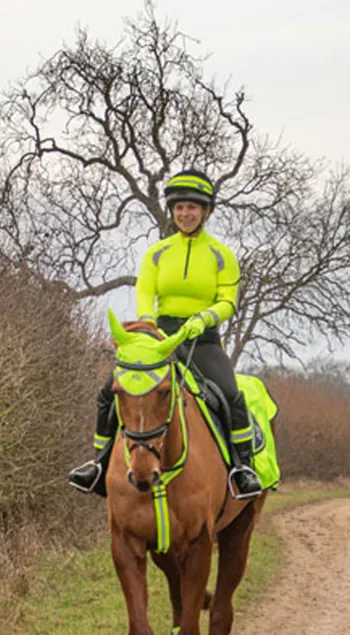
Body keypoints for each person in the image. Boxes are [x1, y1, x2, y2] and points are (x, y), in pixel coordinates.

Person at [69, 169, 263, 498]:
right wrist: (148, 326)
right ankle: (99, 465)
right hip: (160, 337)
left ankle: (242, 469)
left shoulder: (222, 254)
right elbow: (145, 293)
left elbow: (229, 301)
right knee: (109, 392)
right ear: (172, 211)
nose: (185, 214)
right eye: (179, 208)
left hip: (202, 339)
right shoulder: (157, 253)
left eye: (192, 207)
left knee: (231, 394)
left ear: (206, 211)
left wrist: (204, 319)